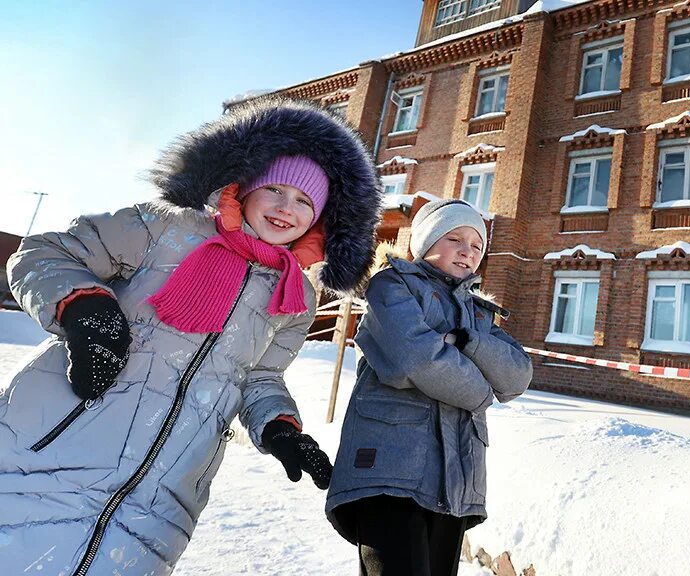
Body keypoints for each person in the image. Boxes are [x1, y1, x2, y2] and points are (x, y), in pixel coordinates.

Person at [0, 99, 380, 574]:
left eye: (305, 201)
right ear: (243, 188)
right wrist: (84, 308)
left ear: (321, 220)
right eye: (276, 189)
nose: (287, 207)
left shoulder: (295, 294)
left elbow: (260, 376)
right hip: (43, 455)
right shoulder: (167, 228)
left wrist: (280, 427)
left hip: (160, 502)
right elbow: (45, 252)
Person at [326, 199, 534, 576]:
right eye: (454, 238)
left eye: (476, 245)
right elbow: (418, 359)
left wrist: (470, 341)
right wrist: (481, 392)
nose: (467, 251)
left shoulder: (480, 314)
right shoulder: (393, 285)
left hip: (454, 485)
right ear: (426, 243)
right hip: (390, 474)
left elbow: (517, 376)